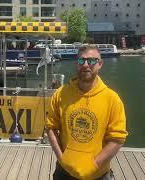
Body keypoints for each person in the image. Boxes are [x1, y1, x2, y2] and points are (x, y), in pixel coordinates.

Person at [46, 45, 128, 180]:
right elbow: (51, 127)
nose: (85, 65)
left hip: (98, 175)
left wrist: (94, 166)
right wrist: (62, 159)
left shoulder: (112, 99)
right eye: (81, 61)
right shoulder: (61, 94)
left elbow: (117, 139)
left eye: (91, 61)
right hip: (64, 172)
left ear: (100, 64)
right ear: (76, 63)